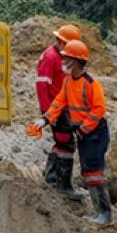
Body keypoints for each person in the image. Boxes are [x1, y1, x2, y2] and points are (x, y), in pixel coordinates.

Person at [27, 40, 113, 228]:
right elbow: (58, 103)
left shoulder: (91, 83)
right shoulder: (68, 82)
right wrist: (45, 119)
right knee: (87, 171)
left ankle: (105, 215)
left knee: (93, 172)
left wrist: (83, 129)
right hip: (84, 132)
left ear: (75, 61)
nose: (63, 61)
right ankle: (101, 213)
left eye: (66, 58)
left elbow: (99, 109)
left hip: (94, 132)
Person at [36, 23, 84, 198]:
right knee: (66, 143)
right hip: (56, 109)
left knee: (62, 142)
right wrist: (47, 112)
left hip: (63, 108)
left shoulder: (60, 57)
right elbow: (42, 85)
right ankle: (63, 185)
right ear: (63, 42)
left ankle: (51, 178)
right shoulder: (50, 57)